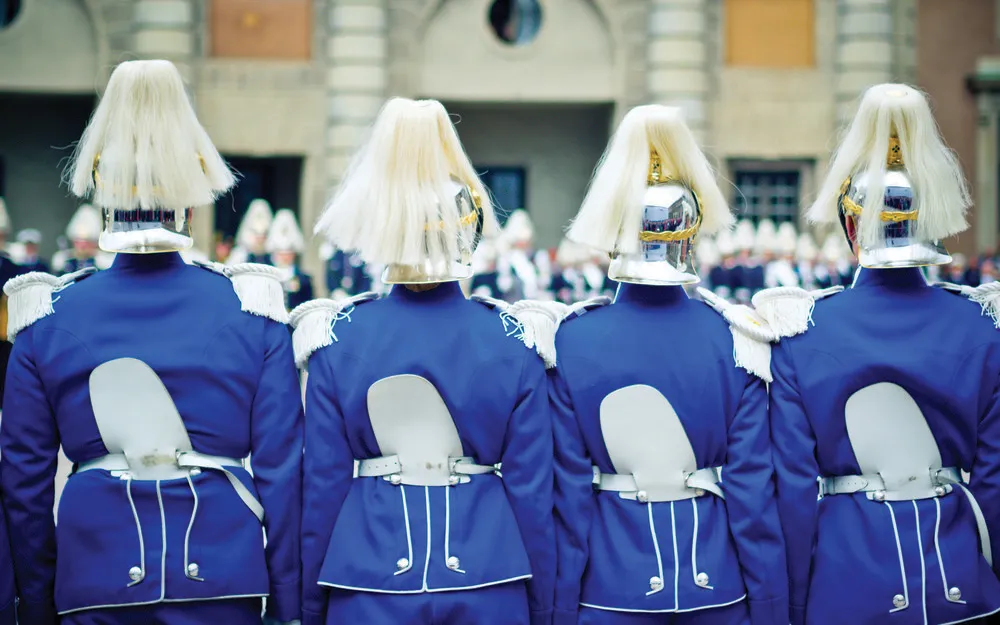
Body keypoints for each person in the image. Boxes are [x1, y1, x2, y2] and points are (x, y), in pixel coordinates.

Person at [0, 59, 303, 625]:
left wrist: (37, 604)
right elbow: (282, 476)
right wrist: (288, 605)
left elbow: (24, 486)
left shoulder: (45, 315)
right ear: (191, 198)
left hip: (92, 582)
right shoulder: (251, 309)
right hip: (224, 583)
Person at [290, 97, 554, 625]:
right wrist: (542, 605)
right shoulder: (515, 337)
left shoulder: (336, 337)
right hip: (489, 579)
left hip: (366, 581)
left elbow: (323, 488)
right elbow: (532, 496)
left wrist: (310, 604)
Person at [757, 83, 1000, 625]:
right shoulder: (982, 326)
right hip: (962, 577)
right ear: (928, 218)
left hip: (848, 585)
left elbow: (795, 495)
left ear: (851, 225)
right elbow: (995, 482)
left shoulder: (800, 330)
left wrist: (798, 601)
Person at [552, 104, 788, 625]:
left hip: (607, 595)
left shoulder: (569, 340)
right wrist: (770, 609)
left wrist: (558, 610)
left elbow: (569, 503)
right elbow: (751, 496)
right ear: (691, 231)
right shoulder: (736, 338)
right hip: (716, 592)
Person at [266, 209, 313, 310]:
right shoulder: (267, 276)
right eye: (281, 254)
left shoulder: (304, 279)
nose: (285, 257)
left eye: (288, 254)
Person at [52, 204, 102, 274]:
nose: (81, 246)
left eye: (87, 243)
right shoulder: (63, 260)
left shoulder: (101, 261)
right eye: (78, 242)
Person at [228, 198, 274, 266]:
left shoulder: (273, 256)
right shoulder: (239, 255)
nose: (260, 240)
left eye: (264, 235)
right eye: (257, 236)